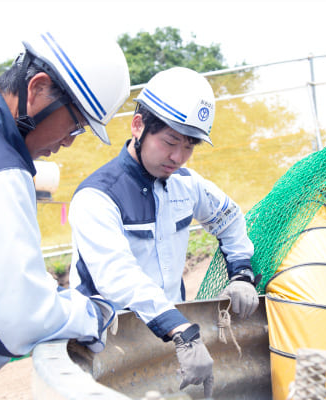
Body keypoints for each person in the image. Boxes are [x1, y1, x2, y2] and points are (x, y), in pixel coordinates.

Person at [0, 31, 130, 399]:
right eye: (75, 123)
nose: (69, 141)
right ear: (38, 88)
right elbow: (18, 322)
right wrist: (91, 314)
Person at [68, 66, 260, 397]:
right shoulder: (97, 197)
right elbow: (117, 276)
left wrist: (241, 273)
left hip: (173, 338)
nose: (178, 157)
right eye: (170, 142)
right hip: (105, 348)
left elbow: (230, 219)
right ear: (138, 126)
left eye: (189, 147)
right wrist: (180, 330)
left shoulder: (187, 185)